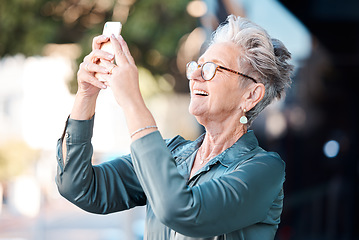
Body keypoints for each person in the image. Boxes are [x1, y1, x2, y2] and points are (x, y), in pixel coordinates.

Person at [56, 15, 294, 240]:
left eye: (213, 68)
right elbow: (78, 186)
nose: (196, 75)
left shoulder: (264, 170)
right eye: (196, 66)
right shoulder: (172, 154)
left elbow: (181, 210)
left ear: (251, 95)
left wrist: (132, 101)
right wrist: (86, 94)